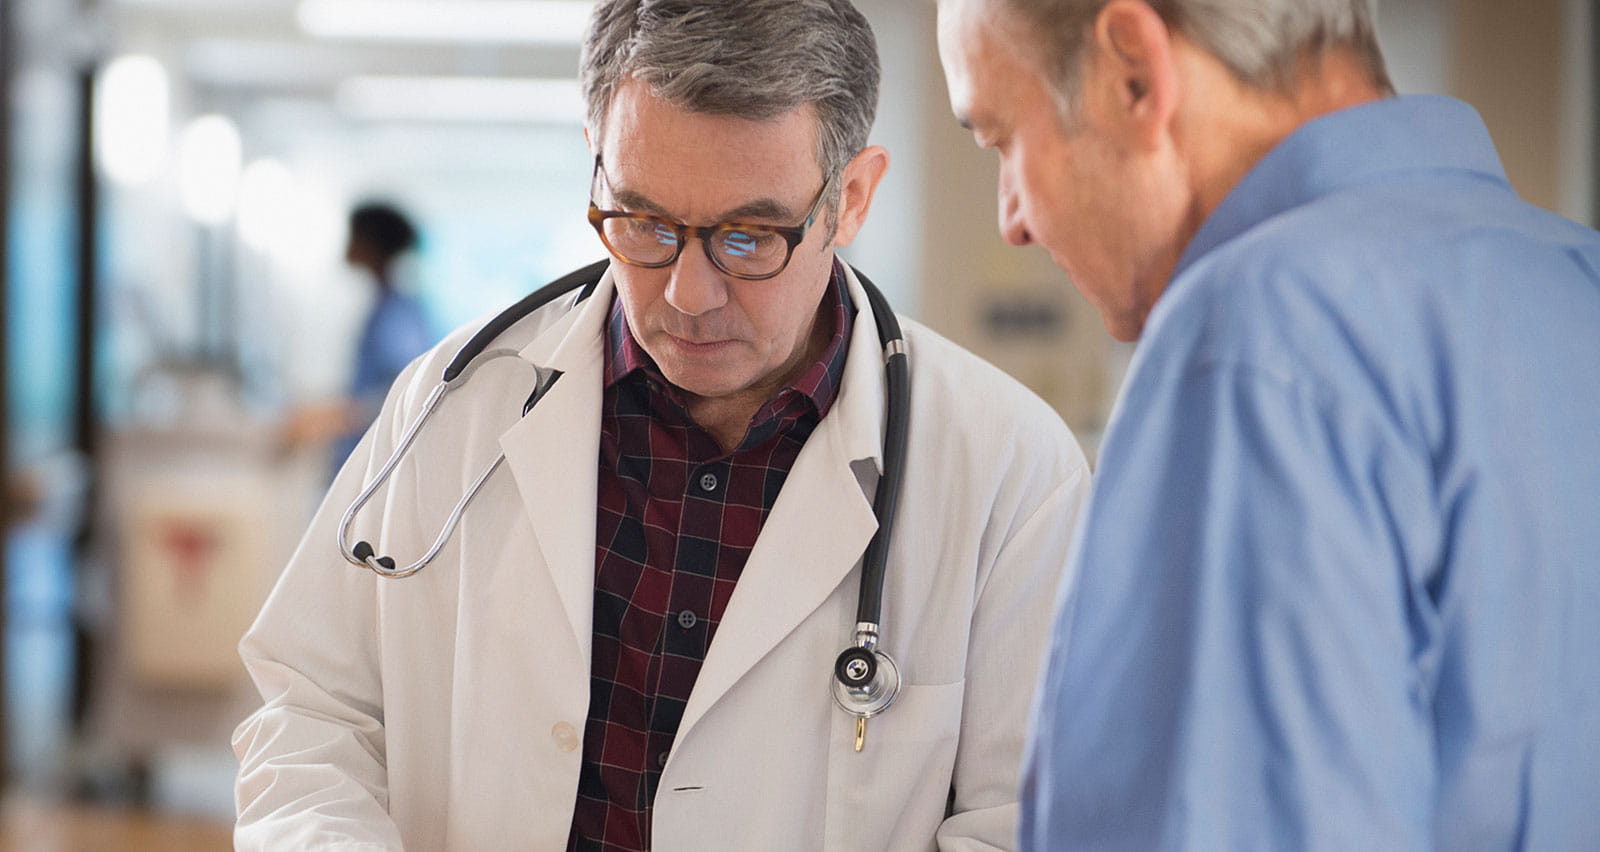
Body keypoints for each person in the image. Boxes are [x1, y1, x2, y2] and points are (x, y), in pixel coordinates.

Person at [234, 1, 1091, 849]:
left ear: (852, 198)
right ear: (596, 168)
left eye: (749, 238)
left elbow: (1027, 827)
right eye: (643, 223)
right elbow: (312, 716)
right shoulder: (456, 402)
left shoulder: (1010, 472)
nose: (688, 295)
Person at [936, 0, 1600, 848]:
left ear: (1133, 73)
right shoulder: (1575, 280)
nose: (1013, 219)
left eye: (1002, 140)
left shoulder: (1254, 334)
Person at [280, 201, 435, 471]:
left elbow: (404, 391)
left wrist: (328, 418)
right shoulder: (382, 306)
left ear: (371, 244)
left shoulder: (395, 314)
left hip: (378, 461)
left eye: (353, 235)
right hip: (363, 456)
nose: (347, 244)